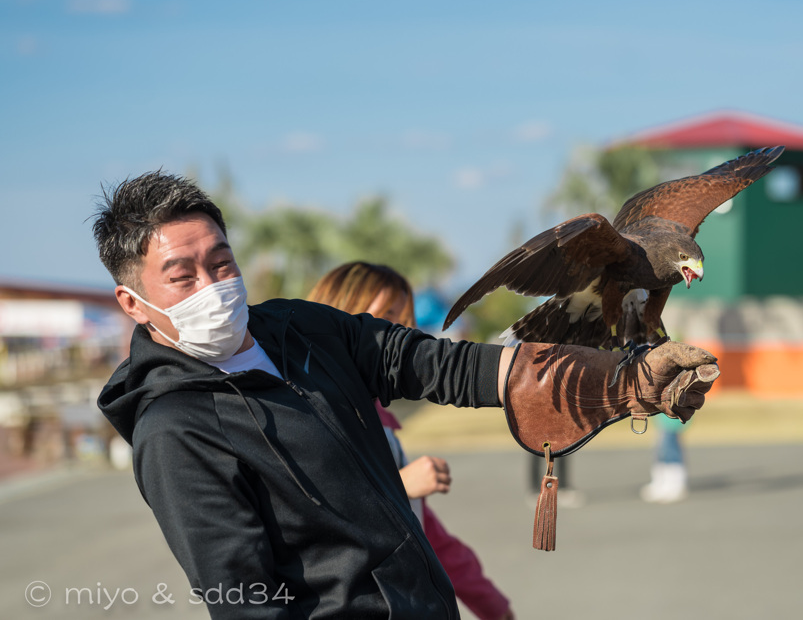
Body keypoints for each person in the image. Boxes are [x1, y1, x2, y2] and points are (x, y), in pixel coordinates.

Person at [93, 171, 719, 619]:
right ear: (132, 302)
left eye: (222, 263)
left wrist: (617, 382)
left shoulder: (302, 327)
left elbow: (439, 365)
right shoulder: (174, 429)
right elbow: (241, 598)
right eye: (183, 276)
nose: (213, 285)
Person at [306, 261, 514, 620]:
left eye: (408, 320)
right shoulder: (305, 417)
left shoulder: (380, 418)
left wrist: (492, 605)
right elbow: (303, 515)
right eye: (386, 316)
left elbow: (432, 539)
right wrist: (400, 486)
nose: (400, 332)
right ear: (336, 319)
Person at [640, 414, 691, 503]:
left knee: (670, 450)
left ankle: (674, 485)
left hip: (673, 421)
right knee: (662, 450)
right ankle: (661, 482)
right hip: (665, 420)